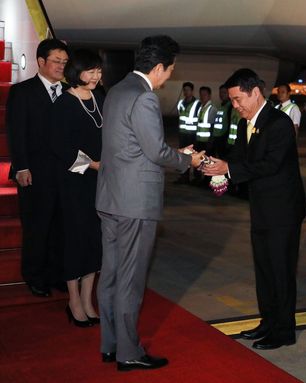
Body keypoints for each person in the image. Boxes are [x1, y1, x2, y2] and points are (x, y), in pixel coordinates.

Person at [95, 35, 204, 371]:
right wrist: (189, 161)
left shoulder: (116, 90)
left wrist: (176, 154)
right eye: (169, 70)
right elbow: (156, 151)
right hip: (134, 203)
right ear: (157, 67)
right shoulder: (144, 98)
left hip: (111, 196)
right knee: (129, 279)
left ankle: (110, 344)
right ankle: (129, 353)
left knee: (111, 275)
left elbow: (131, 146)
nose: (169, 76)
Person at [203, 68, 306, 350]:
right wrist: (214, 162)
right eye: (232, 101)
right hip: (262, 208)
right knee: (264, 269)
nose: (235, 106)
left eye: (238, 100)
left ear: (256, 92)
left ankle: (284, 330)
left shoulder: (279, 123)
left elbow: (269, 165)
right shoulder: (244, 123)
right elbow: (239, 156)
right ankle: (269, 320)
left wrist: (230, 169)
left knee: (281, 271)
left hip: (283, 212)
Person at [6, 38, 69, 297]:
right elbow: (16, 132)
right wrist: (21, 167)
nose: (61, 66)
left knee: (60, 227)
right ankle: (34, 275)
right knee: (36, 227)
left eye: (65, 62)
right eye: (57, 61)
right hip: (33, 173)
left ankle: (56, 274)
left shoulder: (69, 92)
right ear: (41, 61)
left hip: (63, 174)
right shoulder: (23, 91)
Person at [49, 49, 104, 328]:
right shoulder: (63, 104)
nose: (96, 76)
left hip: (99, 182)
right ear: (76, 72)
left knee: (94, 240)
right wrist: (92, 165)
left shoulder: (99, 98)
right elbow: (60, 147)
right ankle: (73, 301)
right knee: (74, 240)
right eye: (91, 71)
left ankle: (87, 298)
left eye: (98, 71)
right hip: (73, 181)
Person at [175, 82, 200, 184]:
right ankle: (184, 177)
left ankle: (197, 178)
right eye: (184, 90)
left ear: (192, 91)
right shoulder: (180, 103)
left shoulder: (197, 104)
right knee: (183, 156)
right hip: (183, 135)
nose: (186, 92)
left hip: (193, 135)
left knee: (194, 156)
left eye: (188, 90)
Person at [212, 84, 232, 159]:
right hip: (218, 138)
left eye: (224, 92)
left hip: (224, 139)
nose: (221, 95)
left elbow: (230, 123)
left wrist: (226, 139)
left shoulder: (230, 107)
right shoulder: (222, 106)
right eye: (220, 92)